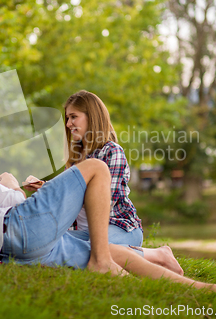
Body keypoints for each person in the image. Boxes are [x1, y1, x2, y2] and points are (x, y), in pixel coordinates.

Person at [0, 124, 216, 299]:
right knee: (96, 168)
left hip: (15, 251)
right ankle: (101, 263)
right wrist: (11, 183)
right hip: (21, 230)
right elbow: (14, 204)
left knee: (114, 252)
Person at [25, 90, 183, 275]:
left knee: (95, 250)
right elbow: (69, 199)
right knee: (52, 242)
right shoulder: (76, 157)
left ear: (91, 117)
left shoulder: (112, 152)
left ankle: (158, 255)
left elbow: (103, 202)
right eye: (67, 118)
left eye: (73, 117)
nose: (68, 124)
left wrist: (55, 189)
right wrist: (46, 188)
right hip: (85, 232)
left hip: (119, 227)